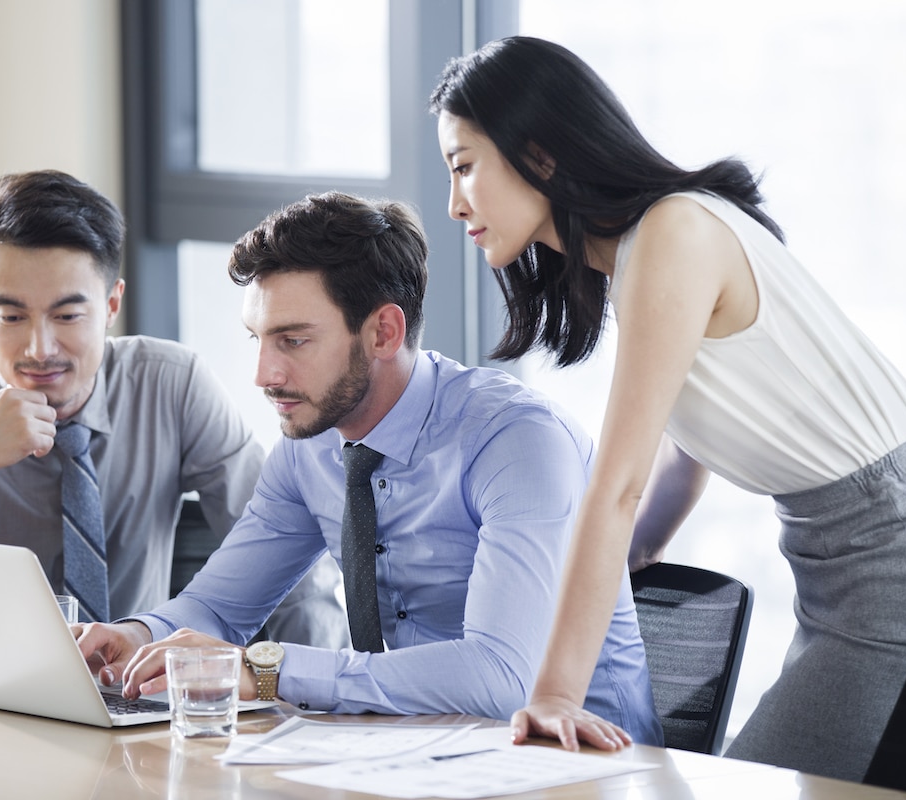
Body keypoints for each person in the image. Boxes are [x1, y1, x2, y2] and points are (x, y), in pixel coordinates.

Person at [429, 36, 906, 781]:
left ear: (539, 154)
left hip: (895, 560)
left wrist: (553, 696)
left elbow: (616, 485)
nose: (454, 203)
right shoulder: (646, 249)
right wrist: (634, 558)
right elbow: (684, 453)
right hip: (847, 559)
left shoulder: (673, 234)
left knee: (750, 783)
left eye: (464, 166)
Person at [75, 191, 662, 740]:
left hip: (582, 768)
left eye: (293, 341)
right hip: (413, 755)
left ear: (384, 331)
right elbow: (218, 608)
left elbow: (501, 676)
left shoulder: (517, 443)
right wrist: (139, 634)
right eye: (257, 338)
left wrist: (267, 669)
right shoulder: (307, 450)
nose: (263, 375)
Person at [0, 169, 348, 653]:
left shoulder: (172, 386)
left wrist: (315, 707)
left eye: (67, 315)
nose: (39, 348)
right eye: (11, 316)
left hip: (137, 698)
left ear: (111, 305)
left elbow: (285, 557)